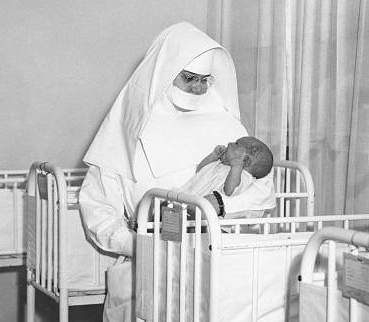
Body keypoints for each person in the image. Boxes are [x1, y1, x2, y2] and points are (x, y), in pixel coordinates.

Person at [78, 22, 275, 322]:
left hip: (213, 264)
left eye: (205, 80)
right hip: (148, 265)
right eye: (189, 79)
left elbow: (260, 197)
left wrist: (218, 206)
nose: (198, 88)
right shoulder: (125, 127)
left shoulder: (231, 129)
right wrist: (143, 245)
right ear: (165, 72)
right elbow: (98, 209)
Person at [180, 136, 274, 202]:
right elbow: (200, 170)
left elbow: (229, 190)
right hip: (185, 198)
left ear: (246, 160)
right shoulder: (220, 164)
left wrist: (237, 165)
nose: (230, 143)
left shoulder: (243, 176)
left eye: (236, 144)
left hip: (202, 214)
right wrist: (213, 156)